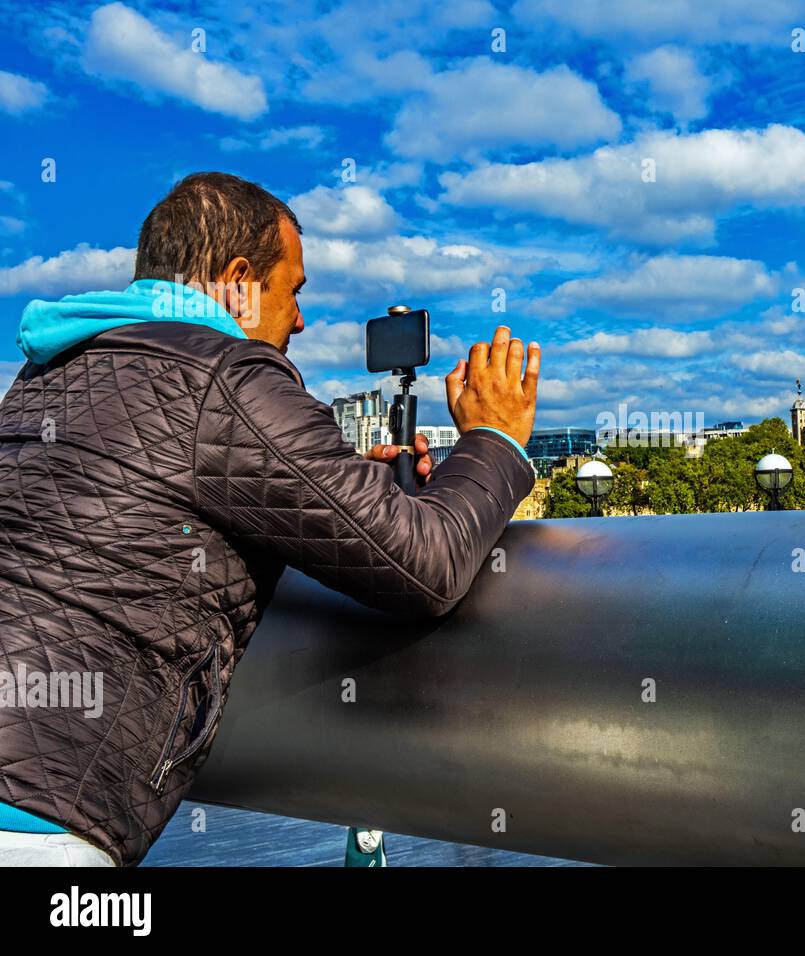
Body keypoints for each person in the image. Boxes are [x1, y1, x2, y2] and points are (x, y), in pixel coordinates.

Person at [0, 172, 540, 866]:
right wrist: (493, 441)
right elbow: (426, 564)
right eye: (296, 289)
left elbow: (146, 509)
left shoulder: (49, 377)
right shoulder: (228, 376)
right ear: (239, 281)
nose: (301, 319)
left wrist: (349, 489)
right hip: (37, 817)